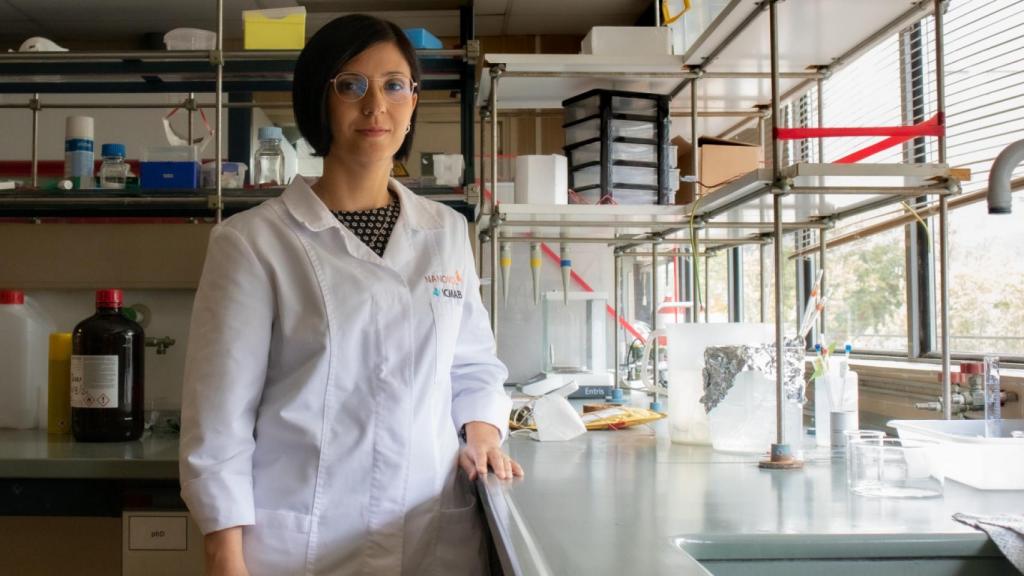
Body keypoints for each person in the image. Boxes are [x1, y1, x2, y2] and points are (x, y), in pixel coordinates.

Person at [179, 14, 523, 576]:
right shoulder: (253, 242)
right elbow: (218, 420)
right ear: (320, 101)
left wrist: (482, 432)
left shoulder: (446, 232)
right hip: (302, 543)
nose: (375, 106)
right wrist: (224, 554)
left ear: (414, 100)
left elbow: (474, 365)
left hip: (430, 534)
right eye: (351, 85)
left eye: (394, 85)